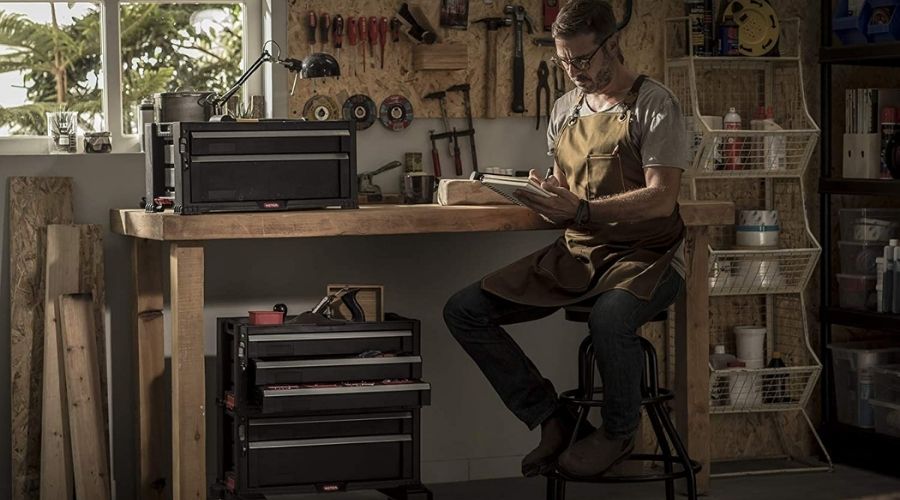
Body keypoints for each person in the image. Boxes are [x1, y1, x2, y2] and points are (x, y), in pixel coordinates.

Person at [442, 0, 688, 480]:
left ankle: (619, 432)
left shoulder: (654, 104)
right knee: (464, 310)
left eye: (581, 60)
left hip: (649, 256)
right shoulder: (565, 108)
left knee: (610, 316)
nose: (572, 71)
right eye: (563, 61)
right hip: (579, 252)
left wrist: (582, 209)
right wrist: (548, 193)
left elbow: (661, 199)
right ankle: (553, 419)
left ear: (612, 45)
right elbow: (569, 188)